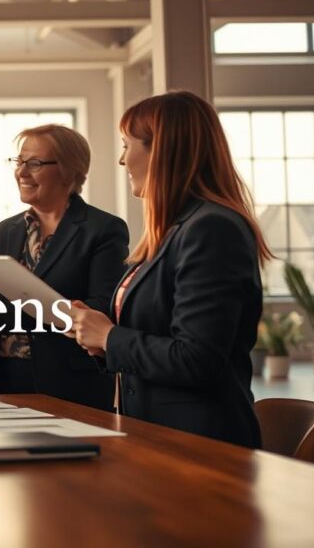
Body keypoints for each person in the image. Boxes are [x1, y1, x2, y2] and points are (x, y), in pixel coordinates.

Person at [67, 91, 270, 448]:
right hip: (159, 435)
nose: (121, 159)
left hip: (202, 447)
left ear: (161, 151)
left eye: (128, 145)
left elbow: (198, 359)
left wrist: (110, 337)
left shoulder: (211, 229)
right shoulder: (177, 229)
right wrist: (101, 337)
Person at [0, 124, 128, 410]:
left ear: (70, 170)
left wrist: (43, 304)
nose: (21, 172)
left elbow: (104, 307)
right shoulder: (7, 230)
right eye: (19, 161)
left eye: (34, 163)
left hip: (70, 383)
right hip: (5, 380)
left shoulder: (103, 229)